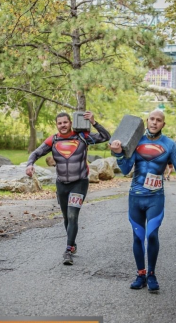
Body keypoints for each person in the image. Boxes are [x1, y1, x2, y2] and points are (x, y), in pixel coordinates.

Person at [109, 109, 176, 292]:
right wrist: (119, 154)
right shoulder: (136, 142)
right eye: (152, 119)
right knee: (138, 236)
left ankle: (151, 274)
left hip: (155, 198)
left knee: (152, 235)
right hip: (135, 197)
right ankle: (141, 274)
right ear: (147, 121)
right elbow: (125, 169)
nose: (154, 122)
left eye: (158, 120)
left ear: (163, 124)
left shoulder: (169, 144)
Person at [25, 111, 111, 265]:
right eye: (60, 123)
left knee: (72, 215)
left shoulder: (82, 137)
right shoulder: (54, 139)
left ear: (70, 123)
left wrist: (94, 122)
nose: (63, 125)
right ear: (56, 125)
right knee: (66, 217)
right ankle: (72, 244)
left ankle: (68, 249)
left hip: (79, 182)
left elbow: (106, 136)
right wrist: (29, 164)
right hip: (61, 184)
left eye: (65, 122)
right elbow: (36, 152)